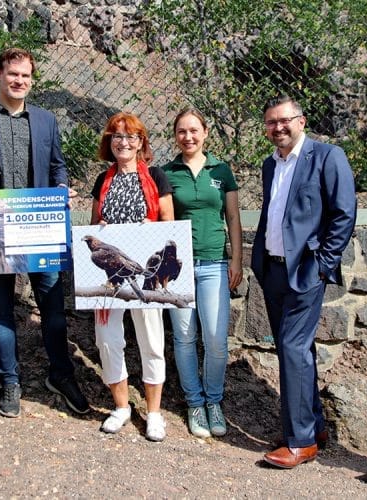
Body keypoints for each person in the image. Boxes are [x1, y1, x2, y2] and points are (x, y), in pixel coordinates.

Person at [0, 47, 90, 418]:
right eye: (13, 74)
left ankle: (60, 374)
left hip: (39, 225)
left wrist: (62, 188)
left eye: (26, 76)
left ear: (32, 79)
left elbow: (58, 166)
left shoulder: (46, 121)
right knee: (1, 306)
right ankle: (9, 380)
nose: (19, 81)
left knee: (53, 307)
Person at [251, 95, 357, 467]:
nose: (278, 128)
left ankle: (300, 441)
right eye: (270, 123)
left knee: (293, 348)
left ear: (301, 121)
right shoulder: (270, 164)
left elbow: (344, 214)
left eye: (284, 121)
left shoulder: (327, 157)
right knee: (293, 349)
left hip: (306, 271)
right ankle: (314, 425)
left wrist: (323, 265)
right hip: (273, 269)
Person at [89, 112, 174, 441]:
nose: (124, 143)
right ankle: (122, 406)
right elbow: (95, 223)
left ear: (141, 143)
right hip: (111, 278)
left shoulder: (155, 176)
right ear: (109, 142)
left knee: (152, 341)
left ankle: (153, 413)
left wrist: (153, 228)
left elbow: (170, 226)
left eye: (131, 137)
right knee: (108, 341)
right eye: (117, 137)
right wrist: (102, 229)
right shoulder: (103, 180)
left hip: (145, 275)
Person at [162, 109, 242, 438]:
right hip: (178, 267)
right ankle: (194, 403)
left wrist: (236, 259)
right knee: (183, 338)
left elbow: (234, 219)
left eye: (194, 130)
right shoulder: (166, 172)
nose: (188, 137)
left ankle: (213, 401)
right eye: (182, 131)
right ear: (175, 135)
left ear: (205, 132)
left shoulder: (221, 171)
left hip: (214, 265)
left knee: (216, 340)